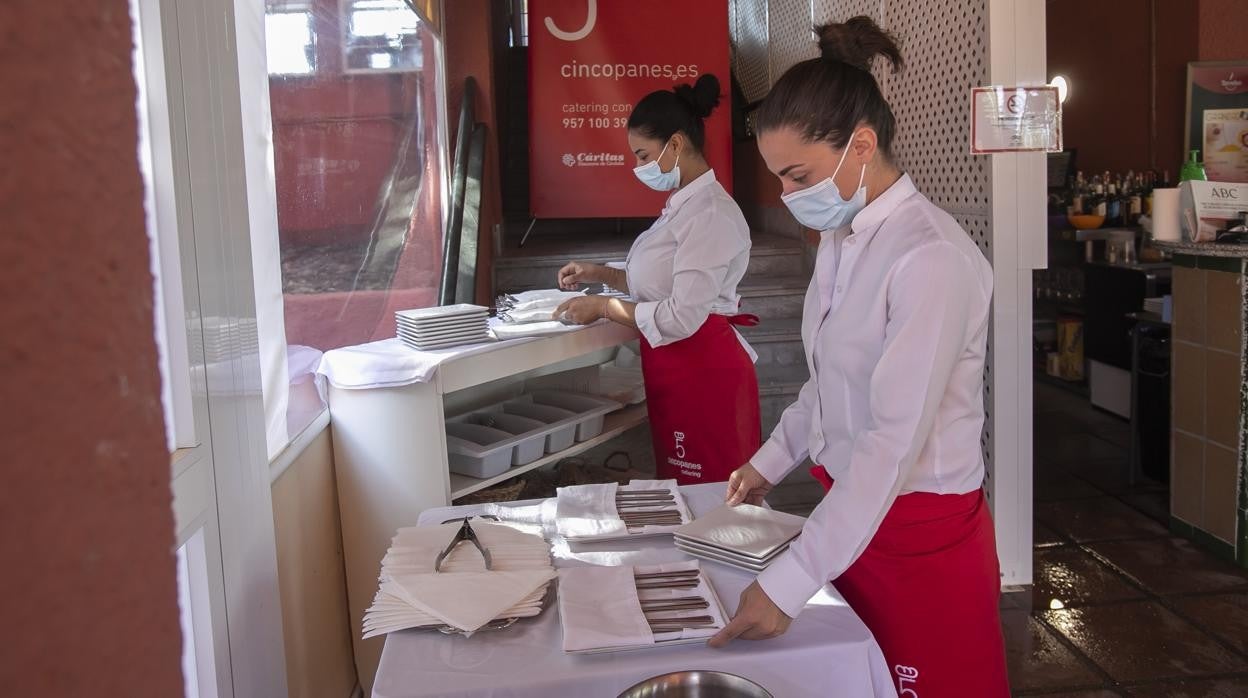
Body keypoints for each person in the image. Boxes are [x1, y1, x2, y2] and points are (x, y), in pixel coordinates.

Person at [707, 17, 1010, 697]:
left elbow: (890, 447)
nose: (788, 197)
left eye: (797, 176)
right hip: (853, 523)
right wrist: (768, 462)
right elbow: (829, 383)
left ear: (862, 146)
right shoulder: (844, 240)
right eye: (779, 180)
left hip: (918, 536)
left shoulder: (928, 258)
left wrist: (787, 584)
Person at [553, 74, 760, 485]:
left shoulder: (711, 214)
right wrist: (599, 275)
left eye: (644, 155)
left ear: (677, 144)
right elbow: (657, 285)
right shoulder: (682, 206)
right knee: (680, 486)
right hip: (675, 368)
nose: (639, 167)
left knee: (715, 492)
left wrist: (604, 307)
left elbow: (682, 315)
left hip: (705, 370)